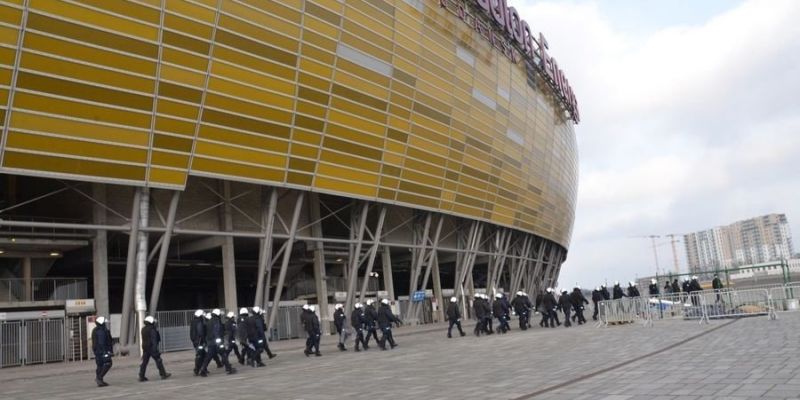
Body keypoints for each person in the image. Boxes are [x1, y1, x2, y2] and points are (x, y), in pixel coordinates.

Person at [199, 309, 235, 376]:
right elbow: (216, 332)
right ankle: (229, 369)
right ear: (218, 314)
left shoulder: (209, 321)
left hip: (210, 342)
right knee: (223, 354)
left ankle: (203, 370)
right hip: (217, 342)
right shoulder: (216, 321)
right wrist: (219, 341)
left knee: (208, 357)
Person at [138, 315, 171, 382]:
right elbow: (154, 340)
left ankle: (141, 376)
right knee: (158, 360)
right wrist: (155, 349)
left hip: (145, 348)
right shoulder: (152, 329)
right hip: (152, 348)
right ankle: (163, 374)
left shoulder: (143, 329)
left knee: (144, 363)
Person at [92, 316, 113, 387]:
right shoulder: (102, 331)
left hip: (97, 351)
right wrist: (106, 352)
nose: (105, 324)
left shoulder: (95, 330)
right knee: (108, 363)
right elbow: (102, 342)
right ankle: (99, 378)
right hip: (102, 351)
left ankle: (100, 381)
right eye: (104, 323)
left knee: (100, 365)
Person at [190, 309, 208, 376]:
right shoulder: (199, 322)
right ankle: (197, 370)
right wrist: (204, 341)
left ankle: (203, 369)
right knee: (200, 355)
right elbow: (201, 333)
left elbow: (192, 333)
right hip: (199, 341)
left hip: (196, 341)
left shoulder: (193, 321)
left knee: (203, 355)